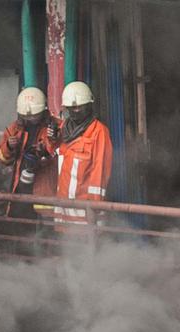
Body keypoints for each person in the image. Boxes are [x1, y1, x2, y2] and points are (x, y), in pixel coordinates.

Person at [53, 81, 112, 228]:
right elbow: (52, 156)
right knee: (65, 248)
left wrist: (94, 207)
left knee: (89, 249)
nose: (75, 111)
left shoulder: (99, 131)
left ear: (89, 105)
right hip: (63, 207)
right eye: (71, 108)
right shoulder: (63, 129)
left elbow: (100, 171)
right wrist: (52, 139)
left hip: (86, 211)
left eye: (79, 107)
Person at [0, 86, 59, 220]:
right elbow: (1, 158)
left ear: (43, 110)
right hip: (21, 188)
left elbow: (60, 153)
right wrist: (9, 147)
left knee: (44, 232)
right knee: (19, 228)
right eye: (26, 116)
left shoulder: (55, 127)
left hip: (45, 188)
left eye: (34, 115)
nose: (30, 119)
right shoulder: (14, 129)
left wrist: (45, 151)